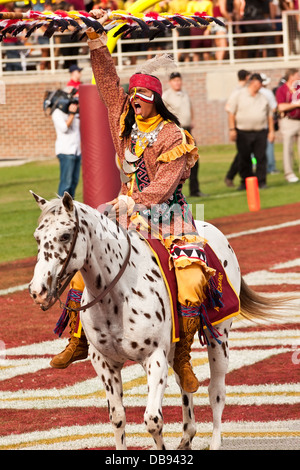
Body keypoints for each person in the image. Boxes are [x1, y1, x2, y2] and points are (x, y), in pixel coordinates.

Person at [51, 8, 223, 395]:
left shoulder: (173, 135)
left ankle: (181, 356)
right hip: (124, 212)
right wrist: (96, 39)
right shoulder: (123, 120)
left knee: (192, 277)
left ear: (157, 101)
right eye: (135, 96)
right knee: (86, 260)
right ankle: (79, 337)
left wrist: (135, 202)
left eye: (144, 97)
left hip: (171, 216)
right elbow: (108, 83)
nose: (136, 101)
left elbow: (165, 184)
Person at [227, 73, 274, 190]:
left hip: (260, 131)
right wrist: (232, 129)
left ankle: (261, 181)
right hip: (243, 131)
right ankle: (245, 181)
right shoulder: (239, 95)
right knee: (244, 158)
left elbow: (269, 116)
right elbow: (231, 113)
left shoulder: (263, 97)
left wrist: (271, 131)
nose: (261, 85)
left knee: (261, 157)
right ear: (253, 82)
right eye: (259, 83)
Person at [162, 71, 206, 197]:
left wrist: (191, 119)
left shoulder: (185, 94)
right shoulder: (166, 96)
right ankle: (173, 192)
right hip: (176, 132)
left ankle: (195, 190)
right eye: (174, 80)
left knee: (194, 161)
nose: (177, 82)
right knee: (176, 163)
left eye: (179, 80)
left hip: (187, 131)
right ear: (170, 82)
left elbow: (190, 108)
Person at [224, 69, 251, 187]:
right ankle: (232, 176)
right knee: (242, 153)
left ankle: (232, 176)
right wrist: (233, 126)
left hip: (243, 125)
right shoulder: (239, 91)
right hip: (239, 125)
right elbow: (228, 107)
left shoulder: (242, 89)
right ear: (246, 77)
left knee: (243, 153)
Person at [51, 98, 81, 198]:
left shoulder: (75, 114)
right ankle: (61, 207)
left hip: (76, 151)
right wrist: (72, 114)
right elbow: (64, 128)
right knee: (66, 183)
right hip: (66, 151)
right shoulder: (57, 113)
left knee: (74, 182)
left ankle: (70, 207)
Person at [276, 68, 300, 183]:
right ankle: (289, 173)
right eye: (297, 75)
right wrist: (295, 104)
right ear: (291, 77)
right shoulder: (282, 89)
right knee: (288, 148)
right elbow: (281, 107)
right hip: (288, 120)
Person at [259, 73, 279, 174]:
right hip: (266, 123)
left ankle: (255, 165)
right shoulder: (267, 93)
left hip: (254, 125)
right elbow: (274, 108)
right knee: (268, 147)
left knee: (254, 149)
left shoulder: (250, 92)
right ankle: (271, 167)